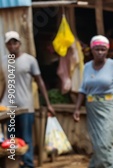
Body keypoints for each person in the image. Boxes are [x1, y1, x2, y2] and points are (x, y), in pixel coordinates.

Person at [72, 35, 113, 168]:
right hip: (92, 108)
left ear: (107, 51)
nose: (100, 52)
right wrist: (77, 109)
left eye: (103, 50)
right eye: (97, 49)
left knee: (104, 143)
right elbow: (83, 89)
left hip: (110, 107)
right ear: (92, 50)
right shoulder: (87, 66)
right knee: (97, 144)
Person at [1, 31, 55, 168]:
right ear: (6, 45)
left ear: (20, 44)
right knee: (11, 138)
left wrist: (48, 103)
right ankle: (13, 164)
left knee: (26, 137)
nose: (12, 45)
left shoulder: (30, 60)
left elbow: (40, 81)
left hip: (25, 105)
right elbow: (3, 83)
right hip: (8, 106)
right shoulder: (3, 60)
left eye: (15, 42)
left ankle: (28, 164)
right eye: (9, 43)